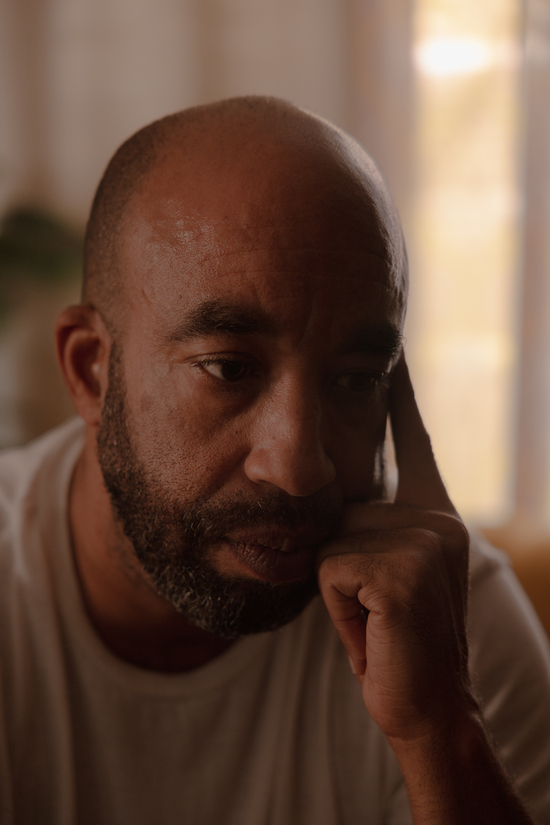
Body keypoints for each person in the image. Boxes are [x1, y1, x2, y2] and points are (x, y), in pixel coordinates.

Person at [1, 96, 549, 825]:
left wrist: (441, 732)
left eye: (355, 378)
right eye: (229, 368)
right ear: (91, 369)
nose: (298, 467)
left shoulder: (450, 628)